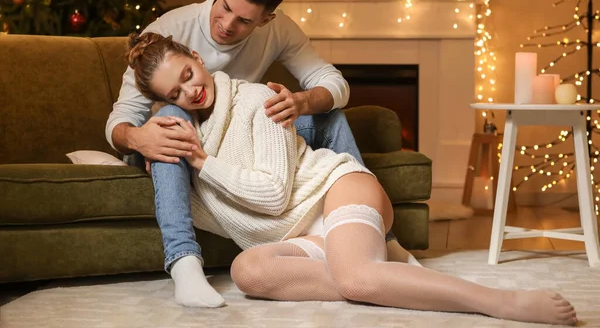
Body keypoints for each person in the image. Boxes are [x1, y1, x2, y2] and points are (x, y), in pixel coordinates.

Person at [124, 33, 577, 327]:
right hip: (303, 233)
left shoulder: (260, 100)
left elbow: (272, 193)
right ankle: (380, 266)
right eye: (175, 93)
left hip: (336, 192)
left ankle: (501, 303)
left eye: (188, 74)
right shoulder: (180, 136)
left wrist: (204, 163)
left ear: (197, 58)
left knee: (358, 280)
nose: (190, 91)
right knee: (248, 272)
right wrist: (146, 151)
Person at [106, 0, 414, 308]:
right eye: (224, 8)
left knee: (330, 117)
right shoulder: (173, 28)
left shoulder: (279, 30)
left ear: (266, 20)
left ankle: (376, 236)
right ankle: (184, 262)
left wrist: (303, 101)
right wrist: (137, 139)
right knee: (172, 117)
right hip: (189, 137)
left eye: (243, 21)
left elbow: (334, 83)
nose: (225, 24)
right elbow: (120, 119)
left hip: (246, 133)